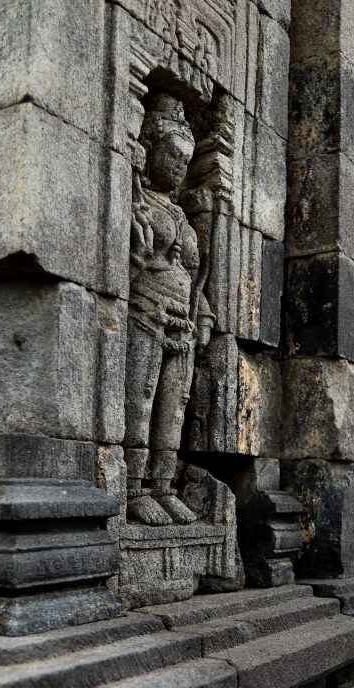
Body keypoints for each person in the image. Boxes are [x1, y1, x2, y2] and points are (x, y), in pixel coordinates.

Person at [125, 94, 214, 526]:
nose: (180, 167)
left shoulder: (180, 213)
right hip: (146, 311)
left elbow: (195, 279)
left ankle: (163, 485)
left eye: (186, 161)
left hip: (182, 321)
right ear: (150, 150)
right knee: (140, 399)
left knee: (174, 408)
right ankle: (132, 487)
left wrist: (204, 317)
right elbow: (125, 261)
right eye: (173, 156)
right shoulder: (138, 200)